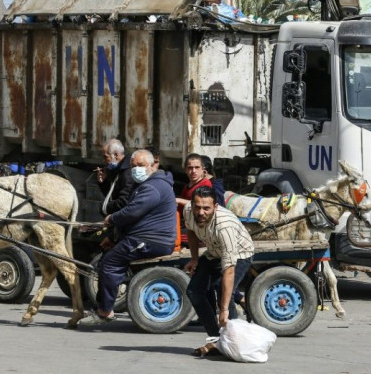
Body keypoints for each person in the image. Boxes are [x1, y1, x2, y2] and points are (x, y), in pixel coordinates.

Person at [79, 149, 177, 326]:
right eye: (133, 166)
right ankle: (104, 304)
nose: (136, 170)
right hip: (143, 237)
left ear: (151, 165)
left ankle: (105, 311)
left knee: (109, 263)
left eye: (140, 166)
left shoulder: (153, 186)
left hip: (150, 240)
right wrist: (114, 238)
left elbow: (132, 212)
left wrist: (111, 219)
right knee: (106, 258)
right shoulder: (149, 184)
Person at [184, 187, 254, 354]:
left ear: (215, 207)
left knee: (224, 294)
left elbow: (229, 270)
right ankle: (217, 340)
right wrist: (194, 259)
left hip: (240, 253)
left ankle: (236, 344)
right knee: (194, 291)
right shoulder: (189, 210)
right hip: (213, 252)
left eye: (206, 208)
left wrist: (222, 310)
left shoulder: (225, 226)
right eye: (197, 207)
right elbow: (191, 231)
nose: (201, 212)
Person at [175, 153, 213, 251]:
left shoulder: (205, 183)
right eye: (190, 168)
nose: (193, 171)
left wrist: (179, 200)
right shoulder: (187, 187)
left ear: (202, 169)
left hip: (200, 227)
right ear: (185, 170)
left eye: (197, 167)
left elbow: (201, 205)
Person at [97, 139, 136, 217]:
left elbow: (123, 202)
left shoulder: (127, 173)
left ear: (116, 155)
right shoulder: (118, 170)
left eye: (106, 157)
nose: (103, 161)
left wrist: (104, 208)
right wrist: (103, 182)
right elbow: (112, 196)